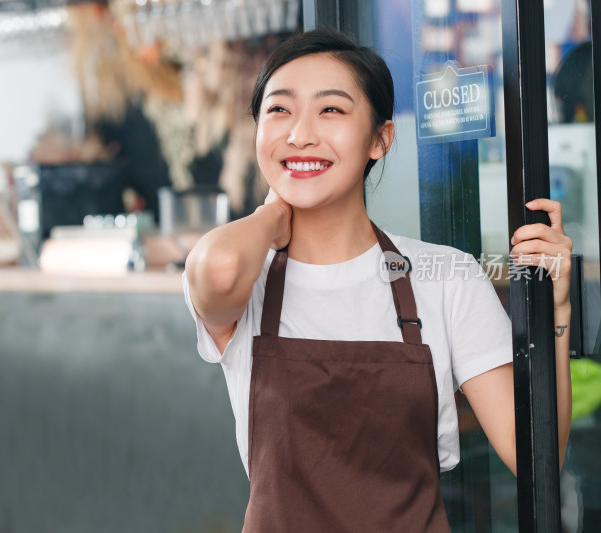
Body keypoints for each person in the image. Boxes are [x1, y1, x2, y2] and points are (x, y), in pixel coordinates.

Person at [183, 29, 573, 531]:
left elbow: (536, 455)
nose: (300, 134)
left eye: (331, 110)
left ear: (379, 139)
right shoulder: (248, 281)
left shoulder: (445, 277)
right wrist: (270, 216)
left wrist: (557, 315)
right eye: (279, 110)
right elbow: (217, 269)